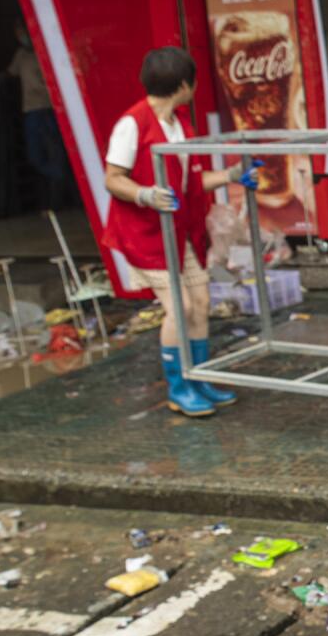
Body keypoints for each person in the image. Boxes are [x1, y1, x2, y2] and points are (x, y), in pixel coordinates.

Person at [102, 47, 259, 419]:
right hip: (147, 236)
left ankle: (199, 378)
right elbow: (113, 179)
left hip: (182, 232)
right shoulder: (132, 124)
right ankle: (178, 387)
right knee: (181, 307)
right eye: (194, 82)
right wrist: (144, 194)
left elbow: (192, 182)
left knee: (201, 303)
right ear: (184, 84)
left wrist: (233, 175)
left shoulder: (180, 124)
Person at [10, 20, 68, 205]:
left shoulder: (47, 53)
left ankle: (57, 199)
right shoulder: (21, 55)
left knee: (55, 152)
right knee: (35, 156)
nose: (21, 36)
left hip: (50, 110)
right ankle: (61, 178)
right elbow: (10, 73)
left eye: (23, 31)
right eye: (18, 33)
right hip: (31, 111)